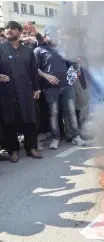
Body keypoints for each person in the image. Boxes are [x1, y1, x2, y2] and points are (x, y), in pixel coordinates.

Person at [34, 25, 86, 150]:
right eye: (51, 34)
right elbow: (34, 68)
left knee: (71, 112)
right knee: (53, 113)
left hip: (67, 86)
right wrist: (46, 76)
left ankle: (75, 136)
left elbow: (72, 66)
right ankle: (55, 138)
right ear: (45, 36)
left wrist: (77, 66)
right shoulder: (39, 50)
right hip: (50, 88)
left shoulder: (64, 49)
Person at [0, 21, 43, 163]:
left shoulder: (28, 51)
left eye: (12, 29)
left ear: (19, 31)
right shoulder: (1, 49)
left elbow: (33, 72)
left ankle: (31, 148)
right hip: (6, 92)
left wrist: (36, 88)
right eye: (6, 28)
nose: (8, 31)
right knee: (9, 122)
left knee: (29, 120)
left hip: (26, 92)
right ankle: (13, 151)